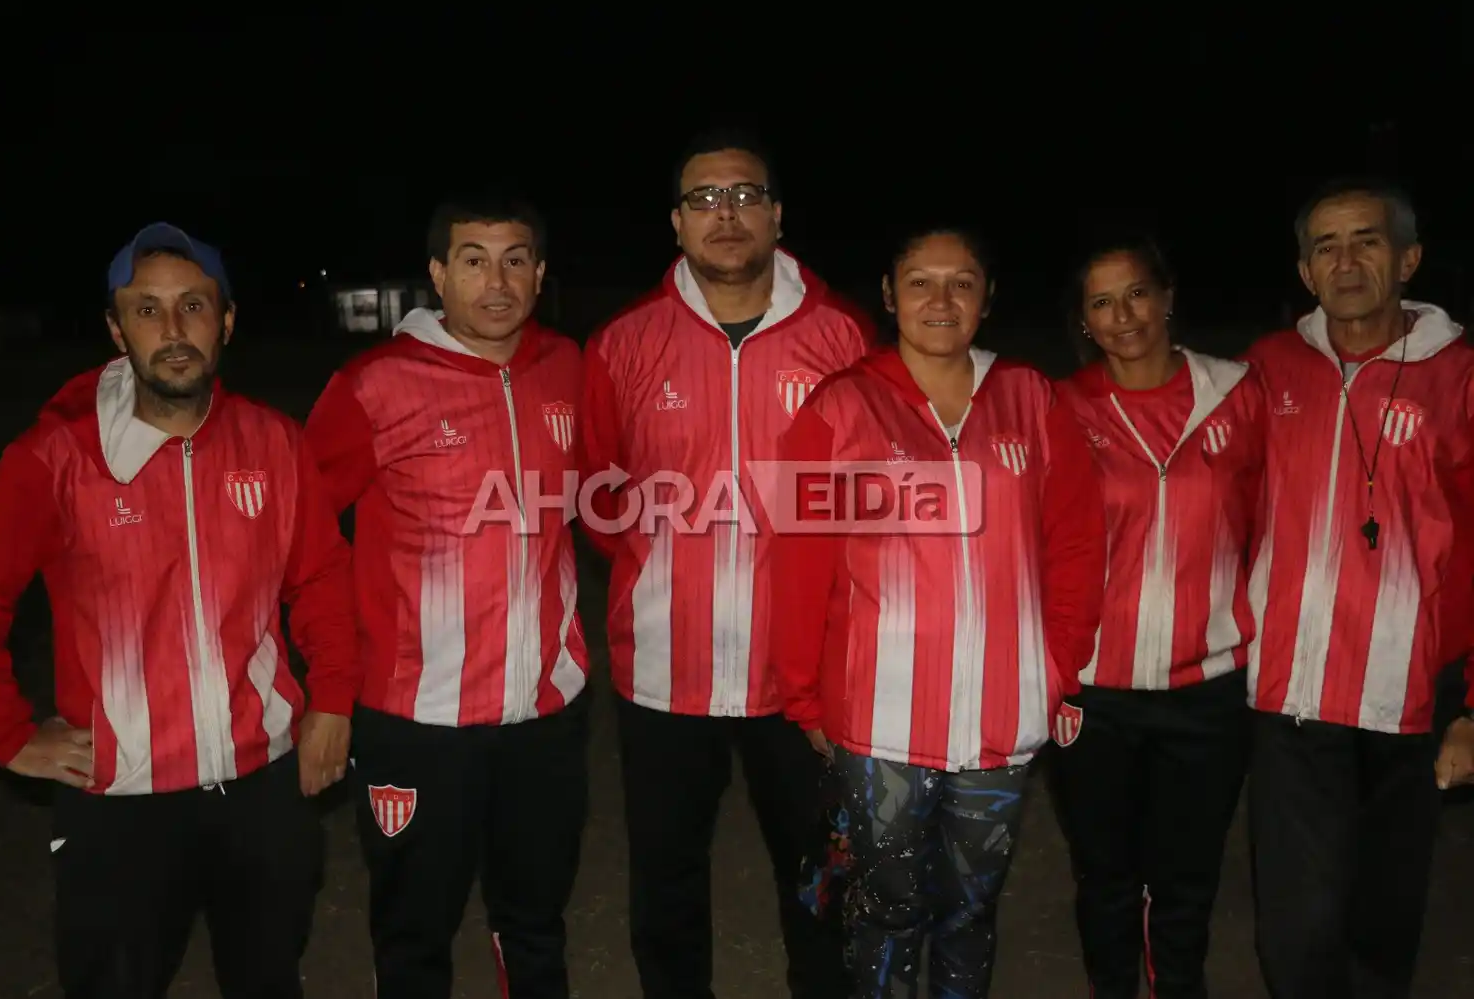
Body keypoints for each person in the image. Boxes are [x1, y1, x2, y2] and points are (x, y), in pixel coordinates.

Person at [0, 223, 359, 999]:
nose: (174, 329)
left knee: (267, 976)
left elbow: (319, 577)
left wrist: (334, 699)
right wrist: (4, 730)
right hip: (121, 802)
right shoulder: (55, 460)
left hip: (261, 786)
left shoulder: (275, 443)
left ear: (226, 321)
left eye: (193, 305)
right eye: (147, 310)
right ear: (116, 330)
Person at [769, 224, 1107, 999]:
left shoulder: (1030, 397)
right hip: (877, 719)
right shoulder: (839, 406)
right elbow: (795, 562)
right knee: (886, 906)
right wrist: (803, 692)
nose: (941, 299)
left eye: (962, 281)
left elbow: (1077, 545)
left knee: (970, 907)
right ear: (890, 296)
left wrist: (1054, 665)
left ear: (987, 297)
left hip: (1000, 717)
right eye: (920, 280)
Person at [578, 128, 872, 999]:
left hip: (805, 676)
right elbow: (601, 497)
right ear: (676, 223)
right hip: (668, 670)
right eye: (704, 200)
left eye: (744, 195)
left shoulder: (843, 334)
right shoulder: (624, 343)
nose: (726, 214)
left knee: (822, 871)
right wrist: (665, 576)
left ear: (778, 215)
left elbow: (867, 500)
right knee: (666, 880)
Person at [303, 195, 590, 999]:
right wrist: (325, 681)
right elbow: (298, 536)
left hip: (546, 715)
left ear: (539, 271)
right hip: (417, 721)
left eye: (515, 258)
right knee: (414, 930)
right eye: (473, 259)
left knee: (535, 920)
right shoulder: (374, 385)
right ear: (437, 273)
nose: (496, 281)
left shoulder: (567, 367)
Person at [1245, 178, 1474, 999]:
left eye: (1367, 241)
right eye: (1326, 246)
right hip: (1291, 693)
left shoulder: (1460, 377)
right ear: (1305, 271)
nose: (1346, 261)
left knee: (1382, 922)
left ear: (1408, 258)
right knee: (1297, 927)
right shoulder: (1268, 368)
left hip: (1410, 697)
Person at [1050, 237, 1265, 999]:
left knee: (1187, 873)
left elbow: (1275, 523)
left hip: (1207, 686)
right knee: (1106, 873)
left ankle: (1179, 985)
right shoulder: (1061, 407)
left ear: (1168, 295)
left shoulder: (1239, 394)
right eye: (1101, 301)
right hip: (1094, 690)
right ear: (1085, 319)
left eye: (1137, 293)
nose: (1123, 315)